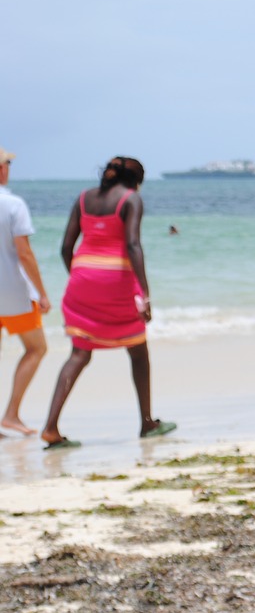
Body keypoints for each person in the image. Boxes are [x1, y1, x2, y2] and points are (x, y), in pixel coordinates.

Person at [40, 156, 176, 449]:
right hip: (117, 282)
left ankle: (50, 428)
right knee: (138, 350)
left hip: (82, 279)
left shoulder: (83, 198)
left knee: (78, 354)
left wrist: (80, 277)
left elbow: (65, 247)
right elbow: (132, 245)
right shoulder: (131, 199)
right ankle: (147, 422)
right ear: (136, 181)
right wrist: (144, 293)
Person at [0, 147, 52, 436]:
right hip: (13, 293)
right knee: (36, 348)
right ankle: (10, 414)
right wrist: (43, 293)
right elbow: (25, 253)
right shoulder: (13, 204)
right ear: (2, 169)